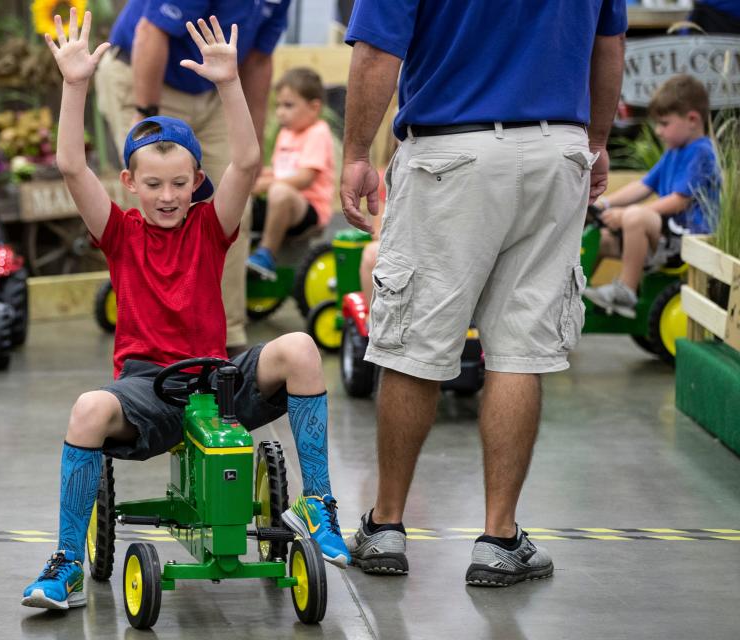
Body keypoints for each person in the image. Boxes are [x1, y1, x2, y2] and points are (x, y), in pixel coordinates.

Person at [22, 10, 349, 612]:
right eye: (153, 185)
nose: (167, 197)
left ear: (197, 179)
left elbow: (248, 164)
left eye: (179, 183)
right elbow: (71, 165)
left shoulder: (210, 225)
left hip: (218, 383)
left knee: (301, 346)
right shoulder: (118, 232)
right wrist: (74, 86)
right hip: (150, 389)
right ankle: (67, 561)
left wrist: (229, 83)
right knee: (88, 408)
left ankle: (319, 502)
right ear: (130, 182)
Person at [339, 1, 627, 585]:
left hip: (451, 151)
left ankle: (387, 526)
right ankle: (499, 538)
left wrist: (354, 154)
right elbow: (608, 45)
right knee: (520, 353)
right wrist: (595, 140)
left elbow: (376, 52)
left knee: (415, 349)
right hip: (556, 152)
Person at [97, 0, 293, 354]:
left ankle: (226, 337)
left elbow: (258, 61)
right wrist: (145, 121)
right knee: (155, 207)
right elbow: (150, 31)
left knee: (236, 208)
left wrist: (255, 154)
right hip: (147, 75)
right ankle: (150, 342)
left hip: (212, 87)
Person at [585, 75, 719, 318]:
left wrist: (626, 214)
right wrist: (604, 203)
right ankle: (577, 296)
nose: (658, 131)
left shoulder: (701, 152)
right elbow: (642, 186)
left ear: (692, 119)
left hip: (688, 243)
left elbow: (680, 200)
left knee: (636, 217)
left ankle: (626, 291)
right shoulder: (673, 153)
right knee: (601, 240)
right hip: (666, 238)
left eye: (664, 123)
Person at [247, 67, 335, 280]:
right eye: (278, 106)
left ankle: (266, 254)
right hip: (283, 202)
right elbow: (279, 171)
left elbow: (305, 177)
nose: (280, 112)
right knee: (247, 189)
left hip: (309, 208)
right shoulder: (286, 134)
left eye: (288, 105)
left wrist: (266, 184)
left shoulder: (317, 133)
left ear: (314, 108)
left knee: (279, 191)